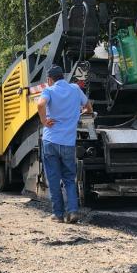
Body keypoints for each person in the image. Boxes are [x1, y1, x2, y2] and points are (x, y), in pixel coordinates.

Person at [36, 65, 93, 224]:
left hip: (51, 141)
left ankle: (58, 215)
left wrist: (44, 121)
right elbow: (89, 107)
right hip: (68, 143)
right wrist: (77, 114)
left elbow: (40, 104)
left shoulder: (49, 91)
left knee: (54, 179)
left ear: (49, 79)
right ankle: (73, 211)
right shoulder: (75, 89)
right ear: (62, 76)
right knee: (69, 178)